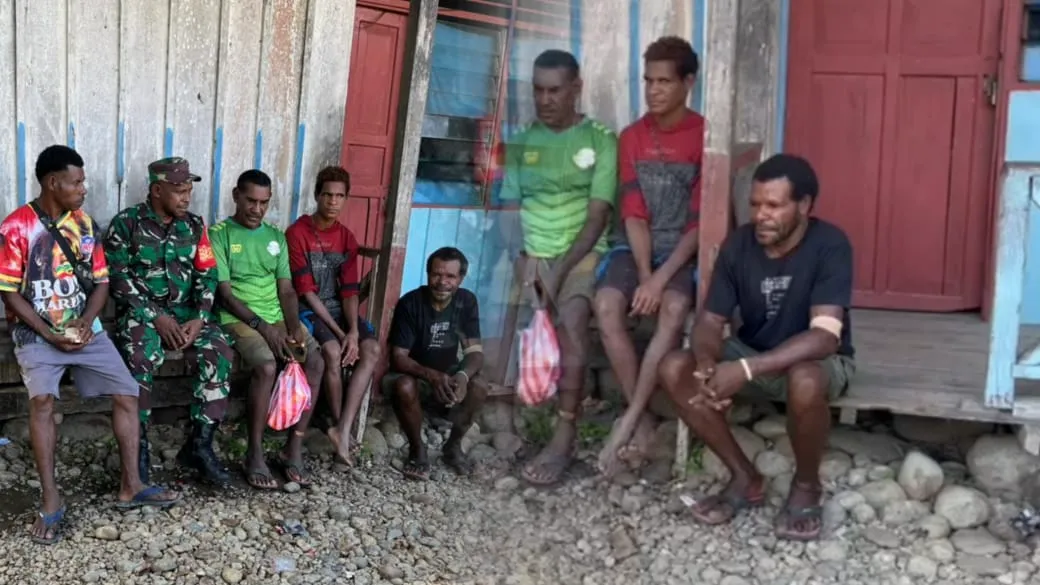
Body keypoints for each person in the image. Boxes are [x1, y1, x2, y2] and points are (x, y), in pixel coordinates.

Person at [658, 154, 856, 542]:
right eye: (755, 204)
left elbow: (825, 337)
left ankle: (806, 485)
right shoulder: (739, 245)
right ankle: (745, 477)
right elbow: (710, 321)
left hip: (818, 363)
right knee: (673, 367)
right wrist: (706, 363)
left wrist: (746, 369)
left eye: (774, 205)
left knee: (805, 379)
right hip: (752, 354)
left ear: (804, 205)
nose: (761, 215)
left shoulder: (830, 245)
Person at [0, 145, 180, 545]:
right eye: (77, 182)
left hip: (85, 330)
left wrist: (84, 322)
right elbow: (9, 292)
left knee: (127, 393)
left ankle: (132, 485)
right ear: (53, 183)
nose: (84, 189)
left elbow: (101, 283)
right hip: (35, 332)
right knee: (42, 402)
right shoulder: (16, 227)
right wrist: (49, 333)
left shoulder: (85, 225)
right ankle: (51, 499)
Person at [500, 49, 619, 486]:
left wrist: (558, 272)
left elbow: (598, 217)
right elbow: (509, 210)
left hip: (582, 252)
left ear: (576, 89)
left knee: (570, 321)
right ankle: (507, 420)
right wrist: (522, 258)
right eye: (538, 90)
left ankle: (564, 432)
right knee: (510, 318)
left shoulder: (600, 140)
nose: (544, 99)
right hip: (531, 253)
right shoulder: (521, 140)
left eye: (554, 90)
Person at [593, 36, 704, 477]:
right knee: (606, 305)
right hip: (634, 247)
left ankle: (631, 419)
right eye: (648, 81)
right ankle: (640, 417)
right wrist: (644, 275)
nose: (653, 90)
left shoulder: (704, 136)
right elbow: (634, 213)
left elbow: (699, 224)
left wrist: (660, 280)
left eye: (664, 81)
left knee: (674, 308)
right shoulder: (632, 137)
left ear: (688, 83)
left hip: (683, 250)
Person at [104, 157, 236, 486]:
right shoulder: (126, 224)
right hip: (142, 315)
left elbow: (208, 275)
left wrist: (200, 318)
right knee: (139, 356)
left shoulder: (194, 226)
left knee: (219, 350)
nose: (186, 198)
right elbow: (117, 279)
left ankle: (200, 446)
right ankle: (139, 448)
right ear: (156, 190)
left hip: (187, 315)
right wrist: (156, 316)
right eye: (179, 191)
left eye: (189, 190)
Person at [210, 169, 324, 490]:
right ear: (236, 196)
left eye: (264, 203)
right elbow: (225, 295)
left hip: (277, 317)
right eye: (251, 201)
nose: (257, 209)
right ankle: (254, 453)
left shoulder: (275, 236)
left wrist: (293, 327)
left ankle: (293, 447)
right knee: (266, 365)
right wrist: (264, 329)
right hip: (238, 319)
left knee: (315, 361)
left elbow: (286, 289)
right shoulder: (220, 234)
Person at [286, 166, 381, 466]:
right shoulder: (297, 232)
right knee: (332, 350)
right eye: (327, 194)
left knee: (371, 348)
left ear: (346, 199)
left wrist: (352, 331)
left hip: (339, 309)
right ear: (317, 195)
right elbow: (306, 292)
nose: (333, 201)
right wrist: (341, 336)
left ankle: (343, 427)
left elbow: (350, 291)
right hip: (308, 308)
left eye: (339, 196)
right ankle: (339, 425)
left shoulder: (346, 238)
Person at [385, 247, 488, 480]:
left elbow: (475, 353)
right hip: (417, 375)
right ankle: (417, 449)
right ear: (428, 274)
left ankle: (453, 447)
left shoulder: (466, 301)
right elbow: (399, 358)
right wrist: (432, 376)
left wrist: (462, 377)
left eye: (450, 276)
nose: (442, 282)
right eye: (436, 274)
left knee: (480, 386)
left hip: (448, 375)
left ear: (460, 278)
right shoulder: (411, 303)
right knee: (404, 386)